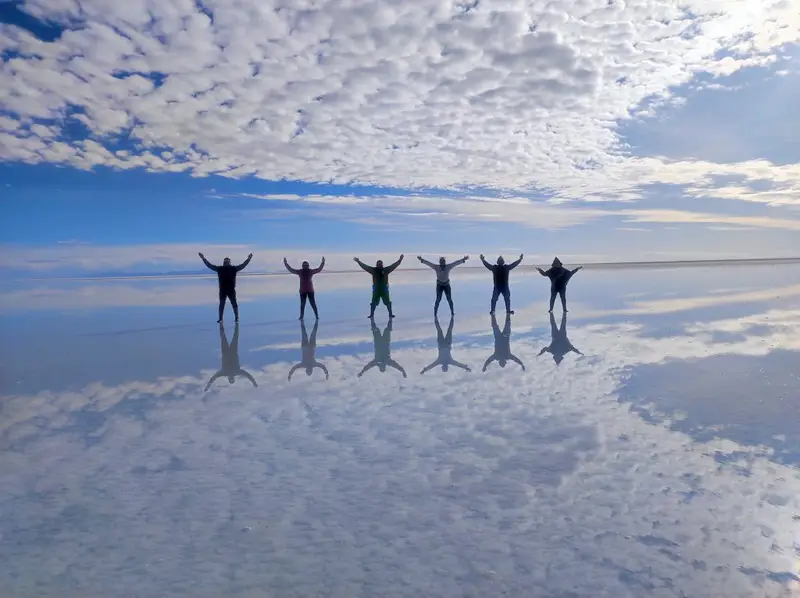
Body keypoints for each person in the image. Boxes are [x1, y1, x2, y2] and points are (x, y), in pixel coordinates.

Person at [199, 251, 253, 322]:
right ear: (224, 262)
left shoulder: (233, 269)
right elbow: (209, 265)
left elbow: (243, 265)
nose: (226, 262)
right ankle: (221, 319)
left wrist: (249, 259)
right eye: (225, 261)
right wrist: (203, 258)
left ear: (229, 262)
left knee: (233, 304)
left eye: (227, 261)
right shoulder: (220, 269)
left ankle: (236, 318)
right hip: (223, 290)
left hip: (230, 290)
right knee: (222, 305)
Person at [205, 321, 258, 391]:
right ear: (230, 378)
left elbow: (213, 378)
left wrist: (254, 383)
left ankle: (235, 324)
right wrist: (254, 382)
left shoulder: (234, 371)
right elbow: (248, 375)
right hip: (230, 351)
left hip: (229, 352)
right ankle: (231, 324)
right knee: (225, 337)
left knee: (234, 337)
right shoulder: (227, 372)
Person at [354, 254, 404, 319]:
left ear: (382, 264)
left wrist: (400, 260)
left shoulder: (386, 270)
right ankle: (372, 315)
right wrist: (359, 262)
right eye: (379, 264)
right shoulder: (373, 270)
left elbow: (394, 265)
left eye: (381, 264)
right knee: (374, 302)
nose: (380, 265)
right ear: (377, 265)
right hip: (377, 289)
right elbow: (365, 267)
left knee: (388, 302)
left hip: (384, 289)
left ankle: (390, 314)